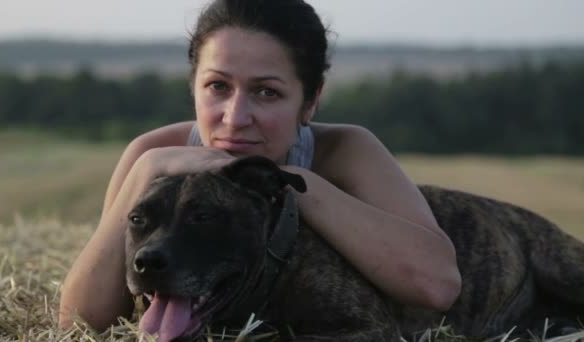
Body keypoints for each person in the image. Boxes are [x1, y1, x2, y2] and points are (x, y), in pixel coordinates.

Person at [59, 0, 461, 331]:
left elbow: (437, 284)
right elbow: (78, 322)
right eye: (218, 86)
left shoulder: (343, 151)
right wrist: (147, 167)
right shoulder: (154, 153)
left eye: (267, 92)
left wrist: (296, 185)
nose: (235, 118)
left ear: (310, 101)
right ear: (193, 86)